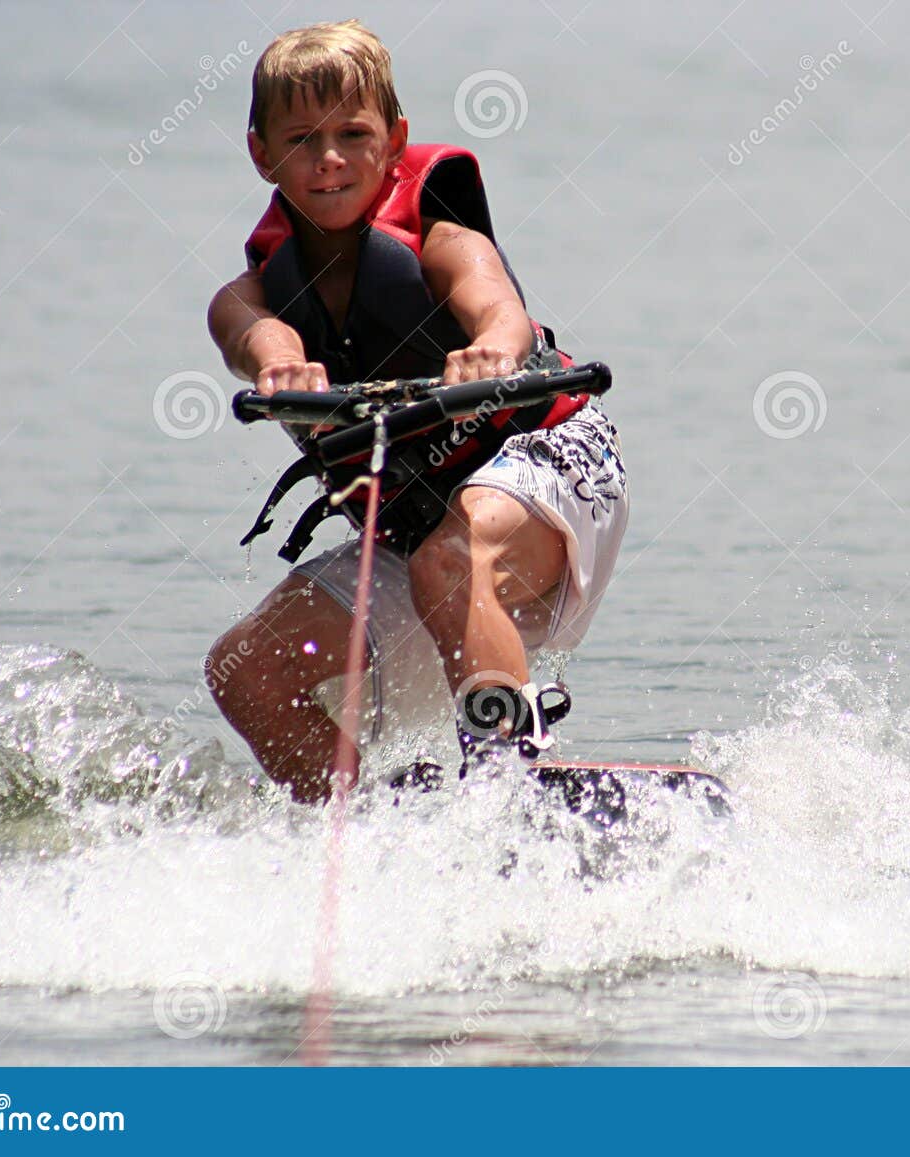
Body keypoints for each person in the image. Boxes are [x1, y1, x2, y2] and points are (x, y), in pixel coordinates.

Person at [203, 20, 627, 803]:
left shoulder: (441, 240)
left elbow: (499, 309)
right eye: (301, 139)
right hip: (418, 528)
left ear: (395, 139)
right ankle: (360, 829)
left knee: (451, 560)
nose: (329, 159)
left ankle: (507, 779)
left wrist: (494, 349)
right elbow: (252, 333)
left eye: (352, 134)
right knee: (245, 668)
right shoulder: (251, 295)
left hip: (552, 468)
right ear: (261, 151)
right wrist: (277, 363)